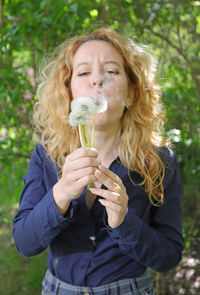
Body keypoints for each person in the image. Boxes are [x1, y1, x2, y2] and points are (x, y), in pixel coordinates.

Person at [13, 27, 184, 295]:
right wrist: (60, 194)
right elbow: (24, 243)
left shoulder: (160, 161)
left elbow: (168, 257)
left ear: (130, 94)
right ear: (68, 92)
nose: (97, 80)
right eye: (83, 73)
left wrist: (124, 221)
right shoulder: (46, 155)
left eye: (112, 71)